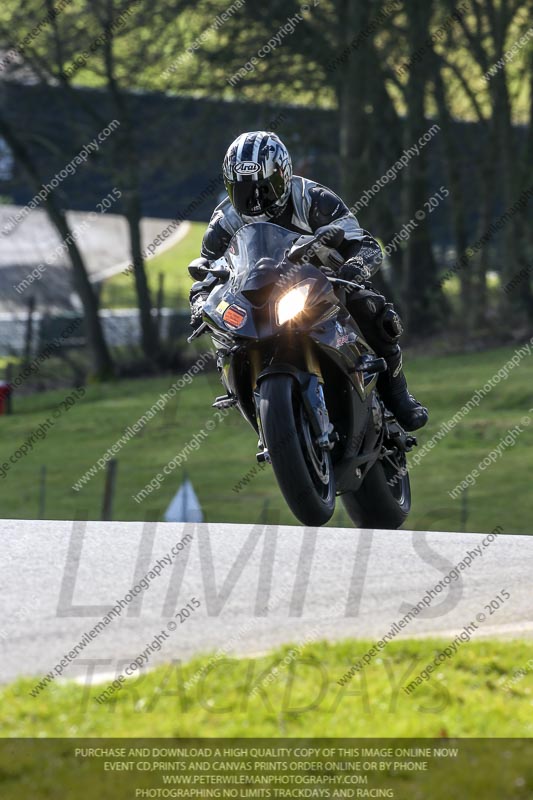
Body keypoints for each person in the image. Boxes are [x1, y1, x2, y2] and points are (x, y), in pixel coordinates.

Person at [189, 130, 428, 431]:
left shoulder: (313, 199)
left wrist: (353, 269)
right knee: (224, 333)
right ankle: (247, 399)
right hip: (256, 298)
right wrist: (200, 302)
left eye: (265, 187)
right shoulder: (223, 222)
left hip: (323, 285)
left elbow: (364, 244)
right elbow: (205, 275)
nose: (255, 200)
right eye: (244, 191)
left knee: (371, 308)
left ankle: (398, 395)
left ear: (284, 175)